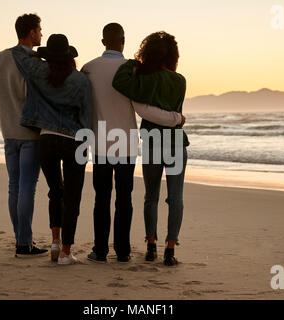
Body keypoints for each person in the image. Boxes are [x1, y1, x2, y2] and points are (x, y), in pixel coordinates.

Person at [81, 23, 185, 263]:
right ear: (123, 41)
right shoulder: (135, 70)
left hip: (100, 143)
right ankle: (123, 252)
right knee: (124, 199)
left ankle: (99, 251)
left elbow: (84, 105)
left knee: (102, 198)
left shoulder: (88, 68)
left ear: (103, 41)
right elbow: (142, 108)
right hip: (126, 144)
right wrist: (175, 118)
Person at [12, 34, 93, 265]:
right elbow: (87, 117)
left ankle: (55, 242)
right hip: (74, 140)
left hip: (46, 139)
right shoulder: (81, 80)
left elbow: (18, 52)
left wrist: (36, 54)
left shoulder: (38, 71)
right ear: (69, 56)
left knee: (55, 191)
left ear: (48, 55)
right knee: (72, 196)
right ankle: (67, 252)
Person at [112, 31, 189, 266]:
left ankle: (151, 246)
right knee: (175, 198)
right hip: (175, 143)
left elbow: (119, 83)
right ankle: (170, 249)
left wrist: (131, 64)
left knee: (151, 197)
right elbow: (175, 110)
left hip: (153, 142)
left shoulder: (145, 79)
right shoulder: (180, 80)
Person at [0, 13, 48, 257]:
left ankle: (21, 239)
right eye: (40, 30)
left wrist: (6, 120)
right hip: (30, 134)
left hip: (9, 133)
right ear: (31, 32)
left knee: (14, 187)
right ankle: (24, 244)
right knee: (27, 188)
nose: (41, 34)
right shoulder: (33, 61)